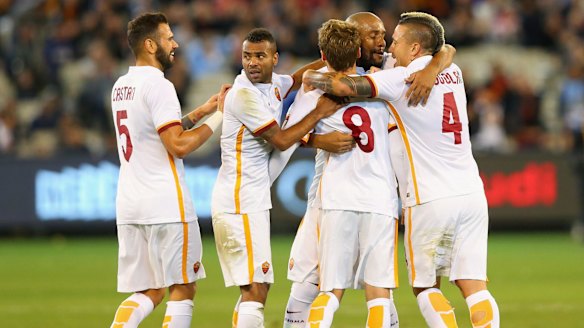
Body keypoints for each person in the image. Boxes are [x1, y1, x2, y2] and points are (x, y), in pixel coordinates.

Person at [302, 11, 500, 328]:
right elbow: (446, 50)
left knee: (424, 287)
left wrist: (309, 77)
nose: (390, 48)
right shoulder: (454, 71)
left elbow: (342, 87)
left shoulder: (399, 79)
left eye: (396, 41)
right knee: (474, 287)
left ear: (415, 49)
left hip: (429, 196)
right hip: (472, 194)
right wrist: (435, 65)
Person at [277, 12, 456, 328]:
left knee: (358, 294)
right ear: (354, 41)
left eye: (384, 34)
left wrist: (430, 69)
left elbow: (445, 48)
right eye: (373, 34)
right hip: (330, 201)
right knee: (311, 286)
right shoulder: (351, 76)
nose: (383, 41)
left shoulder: (388, 69)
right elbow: (287, 134)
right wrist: (320, 139)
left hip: (363, 197)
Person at [210, 28, 342, 328]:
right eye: (247, 56)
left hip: (248, 199)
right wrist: (319, 112)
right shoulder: (243, 95)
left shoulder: (273, 85)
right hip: (239, 201)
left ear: (274, 58)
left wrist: (328, 60)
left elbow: (297, 78)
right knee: (255, 288)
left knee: (256, 286)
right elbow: (281, 140)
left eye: (259, 56)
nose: (252, 62)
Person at [109, 12, 229, 328]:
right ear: (150, 44)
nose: (175, 44)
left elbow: (157, 131)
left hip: (131, 204)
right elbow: (177, 145)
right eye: (168, 37)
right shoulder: (159, 86)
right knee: (183, 285)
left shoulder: (121, 86)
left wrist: (201, 111)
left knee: (148, 290)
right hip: (166, 204)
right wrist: (218, 117)